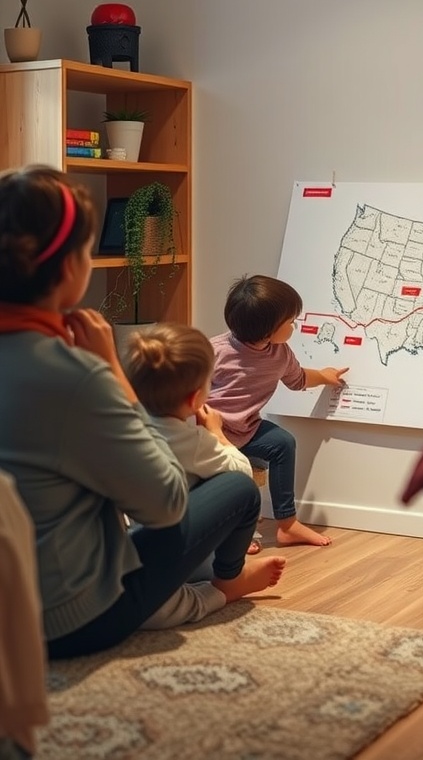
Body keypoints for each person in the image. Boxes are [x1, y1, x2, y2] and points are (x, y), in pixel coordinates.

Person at [0, 165, 285, 660]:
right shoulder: (76, 377)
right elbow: (166, 503)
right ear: (70, 268)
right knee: (238, 487)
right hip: (68, 623)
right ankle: (225, 587)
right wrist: (112, 372)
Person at [207, 274, 349, 547]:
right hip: (212, 434)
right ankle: (234, 534)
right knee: (231, 479)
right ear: (267, 330)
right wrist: (208, 431)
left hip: (247, 428)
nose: (295, 325)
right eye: (291, 321)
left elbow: (298, 380)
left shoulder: (280, 353)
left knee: (283, 443)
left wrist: (324, 375)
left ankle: (288, 524)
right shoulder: (215, 352)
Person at [123, 322, 263, 555]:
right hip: (167, 549)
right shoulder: (193, 441)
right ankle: (231, 573)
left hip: (128, 540)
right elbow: (242, 471)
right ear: (195, 398)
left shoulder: (125, 427)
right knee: (241, 488)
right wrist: (216, 433)